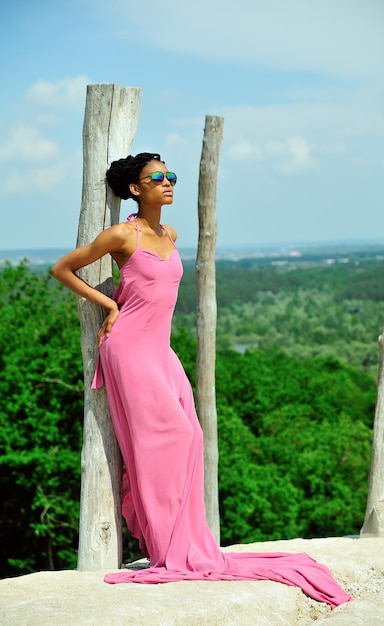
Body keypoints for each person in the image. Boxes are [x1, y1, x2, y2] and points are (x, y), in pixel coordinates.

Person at [51, 152, 352, 608]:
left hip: (161, 351)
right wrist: (108, 305)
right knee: (166, 438)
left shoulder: (169, 234)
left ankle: (186, 541)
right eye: (158, 177)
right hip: (129, 349)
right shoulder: (120, 234)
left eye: (171, 175)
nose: (169, 182)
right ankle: (168, 548)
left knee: (191, 435)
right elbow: (62, 269)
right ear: (136, 188)